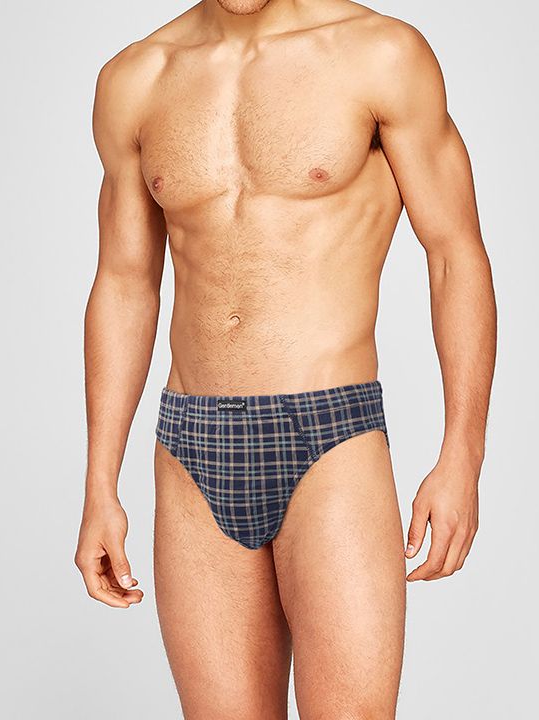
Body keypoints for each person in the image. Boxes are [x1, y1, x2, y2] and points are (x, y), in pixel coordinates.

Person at [74, 0, 497, 717]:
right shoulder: (137, 77)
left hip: (331, 435)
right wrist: (99, 484)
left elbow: (455, 253)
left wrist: (463, 454)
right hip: (190, 445)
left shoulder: (379, 54)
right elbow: (124, 282)